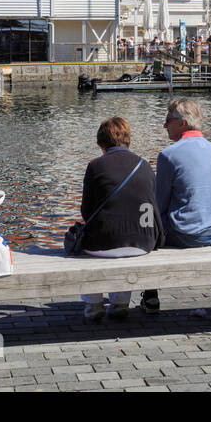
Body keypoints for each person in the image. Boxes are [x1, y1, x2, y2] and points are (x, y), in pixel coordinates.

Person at [139, 99, 211, 314]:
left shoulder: (169, 155)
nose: (164, 125)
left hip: (188, 234)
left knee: (145, 223)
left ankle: (150, 294)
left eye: (168, 120)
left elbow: (158, 204)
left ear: (183, 123)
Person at [77, 117, 163, 321]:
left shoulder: (96, 166)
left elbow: (86, 211)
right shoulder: (144, 165)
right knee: (125, 239)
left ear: (101, 142)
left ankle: (93, 304)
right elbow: (150, 208)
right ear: (128, 139)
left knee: (91, 242)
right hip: (142, 243)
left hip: (102, 243)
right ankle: (120, 303)